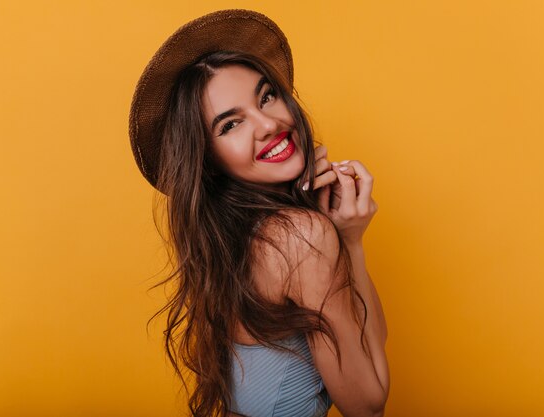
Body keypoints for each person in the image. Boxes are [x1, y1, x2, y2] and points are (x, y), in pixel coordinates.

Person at [129, 9, 389, 417]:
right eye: (231, 125)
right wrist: (351, 242)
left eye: (266, 96)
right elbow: (369, 403)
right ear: (207, 158)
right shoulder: (300, 237)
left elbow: (358, 337)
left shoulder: (229, 239)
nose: (268, 124)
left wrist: (346, 239)